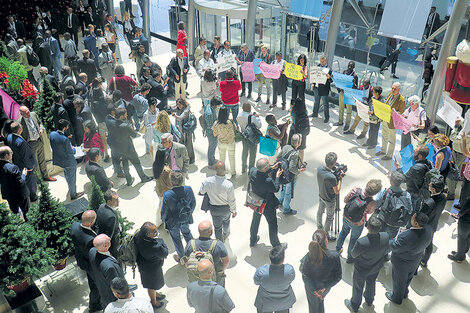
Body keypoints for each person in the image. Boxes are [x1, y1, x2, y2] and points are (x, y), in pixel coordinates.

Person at [344, 216, 389, 313]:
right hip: (376, 266)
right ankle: (369, 300)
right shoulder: (385, 236)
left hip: (361, 269)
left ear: (367, 226)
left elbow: (353, 254)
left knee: (358, 287)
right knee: (371, 282)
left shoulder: (362, 242)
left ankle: (354, 305)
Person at [387, 212, 433, 304]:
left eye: (413, 217)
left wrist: (395, 238)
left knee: (398, 280)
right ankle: (404, 293)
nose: (411, 218)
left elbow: (394, 246)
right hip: (416, 259)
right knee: (408, 278)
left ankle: (396, 298)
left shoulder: (406, 237)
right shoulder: (429, 229)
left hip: (401, 262)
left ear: (416, 223)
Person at [335, 179, 382, 263]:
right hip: (358, 223)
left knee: (344, 232)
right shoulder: (372, 202)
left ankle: (337, 249)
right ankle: (350, 258)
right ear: (375, 193)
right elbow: (369, 212)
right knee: (353, 239)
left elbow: (345, 200)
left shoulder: (355, 190)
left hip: (346, 217)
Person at [300, 229, 342, 313]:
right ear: (326, 240)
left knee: (313, 306)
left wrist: (314, 290)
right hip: (324, 287)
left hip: (311, 288)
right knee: (320, 300)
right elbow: (338, 276)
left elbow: (304, 274)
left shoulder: (308, 256)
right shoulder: (334, 256)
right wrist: (325, 287)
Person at [70, 210, 101, 312]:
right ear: (91, 222)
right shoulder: (90, 240)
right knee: (96, 285)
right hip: (90, 264)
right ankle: (94, 305)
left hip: (81, 259)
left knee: (92, 282)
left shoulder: (74, 226)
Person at [249, 157, 284, 248]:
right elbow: (276, 188)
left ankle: (252, 240)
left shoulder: (252, 171)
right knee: (272, 224)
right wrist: (277, 176)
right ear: (265, 169)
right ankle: (276, 245)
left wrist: (271, 167)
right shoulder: (267, 181)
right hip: (267, 206)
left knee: (255, 221)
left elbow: (261, 170)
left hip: (256, 202)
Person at [161, 171, 196, 262]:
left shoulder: (167, 194)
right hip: (185, 218)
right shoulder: (188, 189)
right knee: (187, 233)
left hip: (173, 222)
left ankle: (182, 257)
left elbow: (164, 210)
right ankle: (193, 252)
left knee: (176, 239)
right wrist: (188, 213)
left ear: (172, 182)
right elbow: (193, 203)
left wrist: (163, 219)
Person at [183, 220, 230, 285]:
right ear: (210, 232)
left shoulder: (190, 244)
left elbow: (186, 262)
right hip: (214, 276)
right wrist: (221, 271)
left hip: (197, 276)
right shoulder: (218, 244)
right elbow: (226, 261)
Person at [199, 162, 237, 241]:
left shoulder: (207, 181)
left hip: (214, 209)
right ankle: (226, 233)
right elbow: (231, 200)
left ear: (215, 169)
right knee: (226, 221)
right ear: (225, 170)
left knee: (217, 227)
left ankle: (219, 243)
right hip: (226, 209)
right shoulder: (229, 184)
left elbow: (201, 192)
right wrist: (233, 210)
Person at [135, 222, 169, 309]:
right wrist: (160, 241)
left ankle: (155, 294)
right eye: (154, 232)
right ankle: (153, 301)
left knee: (152, 284)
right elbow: (165, 253)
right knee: (152, 285)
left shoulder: (138, 236)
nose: (156, 233)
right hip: (152, 269)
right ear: (147, 234)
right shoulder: (156, 246)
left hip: (143, 265)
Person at [114, 108, 153, 185]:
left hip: (120, 148)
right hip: (129, 148)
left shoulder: (113, 124)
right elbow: (134, 134)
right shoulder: (125, 126)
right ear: (121, 116)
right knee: (137, 163)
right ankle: (143, 177)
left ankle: (129, 180)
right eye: (125, 114)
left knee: (125, 163)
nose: (127, 115)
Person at [17, 106, 55, 181]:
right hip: (30, 144)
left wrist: (41, 128)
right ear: (21, 114)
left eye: (28, 111)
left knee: (42, 160)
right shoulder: (19, 122)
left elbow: (39, 123)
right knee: (35, 163)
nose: (28, 114)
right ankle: (40, 180)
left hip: (39, 140)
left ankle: (46, 176)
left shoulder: (33, 114)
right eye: (26, 113)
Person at [253, 244, 295, 313]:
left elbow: (256, 282)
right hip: (284, 303)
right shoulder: (289, 270)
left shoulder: (261, 271)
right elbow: (291, 279)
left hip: (265, 303)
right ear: (283, 259)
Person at [89, 234, 126, 309]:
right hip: (111, 296)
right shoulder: (109, 267)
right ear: (106, 246)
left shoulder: (92, 251)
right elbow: (116, 285)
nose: (110, 239)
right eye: (108, 240)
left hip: (102, 287)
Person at [49, 119, 84, 200]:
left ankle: (70, 189)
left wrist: (66, 139)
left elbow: (56, 143)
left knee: (67, 175)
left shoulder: (52, 134)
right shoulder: (65, 140)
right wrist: (73, 148)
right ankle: (73, 194)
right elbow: (71, 152)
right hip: (69, 162)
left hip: (60, 160)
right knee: (72, 179)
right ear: (64, 128)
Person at [376, 171, 413, 241]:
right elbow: (410, 210)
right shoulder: (407, 195)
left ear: (391, 182)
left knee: (378, 239)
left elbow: (376, 204)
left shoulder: (385, 192)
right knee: (390, 240)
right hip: (396, 223)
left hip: (383, 220)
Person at [395, 145, 433, 212]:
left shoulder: (415, 168)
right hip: (422, 191)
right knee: (417, 208)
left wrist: (398, 168)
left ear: (420, 156)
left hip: (413, 193)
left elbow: (404, 179)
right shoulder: (429, 163)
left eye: (415, 152)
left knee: (410, 210)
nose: (413, 153)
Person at [420, 175, 446, 267]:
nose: (428, 185)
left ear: (434, 189)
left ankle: (420, 260)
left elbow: (420, 215)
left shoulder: (429, 203)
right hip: (433, 224)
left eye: (430, 185)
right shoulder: (443, 197)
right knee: (429, 243)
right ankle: (424, 260)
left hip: (424, 227)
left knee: (421, 245)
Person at [316, 152, 343, 241]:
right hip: (329, 200)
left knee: (320, 212)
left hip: (321, 195)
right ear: (334, 163)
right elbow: (337, 191)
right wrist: (340, 179)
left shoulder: (319, 169)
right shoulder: (331, 177)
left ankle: (319, 228)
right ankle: (325, 234)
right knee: (330, 217)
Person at [376, 82, 406, 160]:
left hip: (392, 122)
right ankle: (383, 150)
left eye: (395, 89)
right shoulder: (390, 94)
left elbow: (401, 112)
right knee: (384, 135)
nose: (393, 90)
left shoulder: (401, 100)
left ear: (399, 89)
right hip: (385, 118)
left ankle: (389, 155)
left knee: (391, 139)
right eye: (392, 88)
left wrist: (394, 113)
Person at [278, 134, 306, 215]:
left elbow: (279, 157)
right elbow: (291, 168)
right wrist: (299, 170)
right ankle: (286, 209)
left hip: (283, 174)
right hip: (290, 177)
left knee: (282, 188)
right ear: (299, 143)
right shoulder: (295, 154)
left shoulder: (286, 147)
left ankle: (279, 201)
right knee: (288, 193)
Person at [0, 146, 30, 216]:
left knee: (15, 213)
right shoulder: (13, 167)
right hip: (20, 194)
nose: (12, 153)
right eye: (11, 152)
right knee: (27, 213)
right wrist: (23, 174)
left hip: (8, 194)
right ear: (6, 155)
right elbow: (20, 182)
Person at [212, 107, 236, 178]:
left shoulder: (216, 123)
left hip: (221, 143)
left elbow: (214, 134)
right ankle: (233, 172)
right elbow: (234, 131)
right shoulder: (230, 122)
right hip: (230, 142)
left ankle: (221, 173)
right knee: (232, 157)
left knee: (222, 158)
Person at [238, 102, 262, 173]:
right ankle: (251, 169)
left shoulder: (239, 116)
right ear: (250, 109)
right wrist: (257, 117)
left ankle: (243, 167)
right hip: (252, 137)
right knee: (252, 153)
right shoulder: (252, 117)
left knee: (244, 152)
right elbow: (259, 125)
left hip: (244, 136)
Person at [335, 61, 358, 131]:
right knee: (341, 108)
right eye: (349, 65)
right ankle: (340, 121)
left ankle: (347, 124)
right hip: (342, 92)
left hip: (349, 94)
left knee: (348, 110)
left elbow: (356, 87)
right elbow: (340, 81)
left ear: (353, 67)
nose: (350, 67)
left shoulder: (355, 75)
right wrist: (338, 88)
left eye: (351, 66)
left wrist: (353, 84)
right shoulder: (344, 72)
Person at [96, 190, 121, 256]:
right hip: (113, 241)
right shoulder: (111, 217)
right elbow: (110, 235)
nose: (118, 201)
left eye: (118, 198)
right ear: (109, 201)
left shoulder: (101, 206)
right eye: (116, 200)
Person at [173, 99, 195, 164]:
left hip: (187, 131)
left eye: (180, 104)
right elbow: (172, 109)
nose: (178, 106)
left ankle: (191, 159)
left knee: (189, 145)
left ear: (183, 104)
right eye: (177, 104)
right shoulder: (178, 109)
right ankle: (184, 158)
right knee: (181, 144)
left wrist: (174, 115)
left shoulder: (186, 110)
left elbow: (180, 118)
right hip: (180, 131)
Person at [311, 56, 332, 122]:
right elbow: (314, 76)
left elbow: (331, 80)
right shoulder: (317, 67)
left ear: (325, 61)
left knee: (325, 104)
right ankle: (315, 113)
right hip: (317, 87)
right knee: (316, 102)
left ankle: (326, 117)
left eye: (323, 61)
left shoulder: (329, 69)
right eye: (321, 61)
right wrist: (313, 84)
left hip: (324, 89)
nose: (322, 63)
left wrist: (329, 78)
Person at [204, 96, 222, 167]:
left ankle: (212, 158)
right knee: (212, 147)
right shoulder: (209, 113)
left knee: (212, 146)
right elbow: (211, 126)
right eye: (218, 105)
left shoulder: (209, 106)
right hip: (211, 133)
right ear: (215, 105)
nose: (219, 106)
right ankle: (211, 162)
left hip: (211, 131)